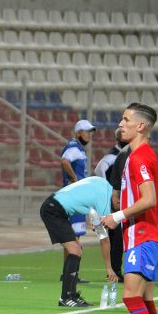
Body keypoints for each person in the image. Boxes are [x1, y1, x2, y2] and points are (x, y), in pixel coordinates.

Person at [101, 103, 158, 314]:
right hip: (144, 234)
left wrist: (117, 216)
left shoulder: (139, 158)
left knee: (131, 297)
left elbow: (149, 198)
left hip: (144, 235)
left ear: (141, 126)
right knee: (145, 300)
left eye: (126, 119)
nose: (120, 124)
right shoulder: (139, 155)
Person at [41, 176, 119, 307]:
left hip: (55, 207)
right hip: (53, 210)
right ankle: (65, 297)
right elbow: (104, 239)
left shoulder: (103, 185)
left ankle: (71, 295)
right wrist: (109, 268)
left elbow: (86, 198)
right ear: (117, 199)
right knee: (75, 251)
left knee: (77, 250)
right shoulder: (105, 201)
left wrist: (95, 222)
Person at [60, 119, 96, 284]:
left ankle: (69, 273)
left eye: (90, 132)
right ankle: (70, 274)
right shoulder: (74, 147)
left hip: (77, 197)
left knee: (74, 236)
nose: (89, 135)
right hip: (74, 198)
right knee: (73, 236)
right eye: (86, 131)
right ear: (78, 132)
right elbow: (64, 161)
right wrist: (74, 179)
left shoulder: (79, 149)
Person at [95, 129, 128, 281]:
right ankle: (114, 270)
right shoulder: (112, 156)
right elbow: (98, 169)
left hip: (120, 199)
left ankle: (115, 269)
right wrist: (107, 190)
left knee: (117, 236)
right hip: (112, 201)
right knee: (114, 236)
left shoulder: (126, 154)